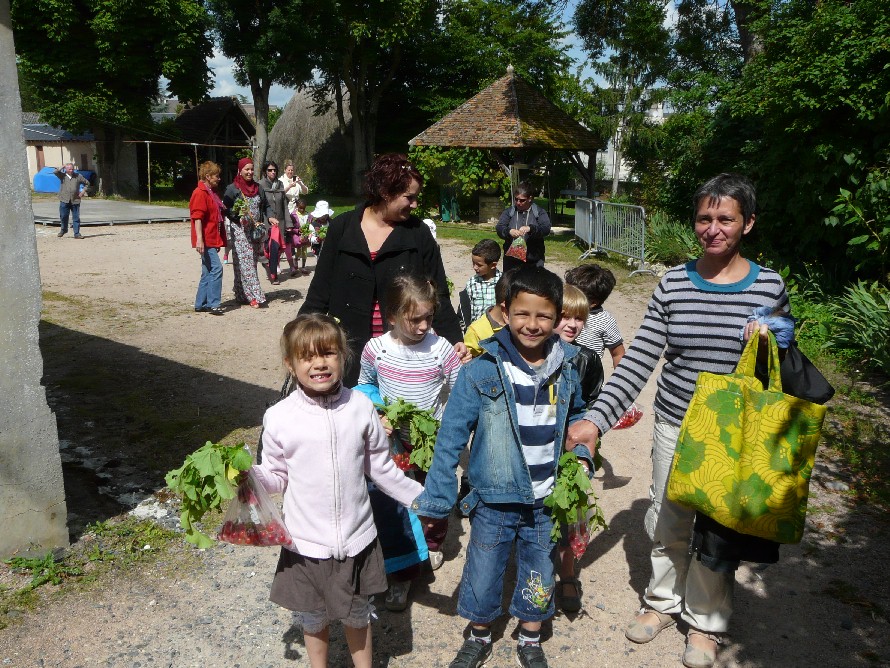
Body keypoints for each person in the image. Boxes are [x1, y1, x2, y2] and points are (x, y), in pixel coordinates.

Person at [566, 173, 791, 668]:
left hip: (734, 431)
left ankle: (706, 622)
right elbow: (642, 356)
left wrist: (773, 334)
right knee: (669, 520)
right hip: (675, 423)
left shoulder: (770, 284)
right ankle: (662, 601)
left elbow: (783, 355)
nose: (713, 229)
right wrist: (598, 420)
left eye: (725, 218)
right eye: (704, 218)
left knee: (717, 529)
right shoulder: (672, 283)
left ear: (747, 223)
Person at [412, 265, 595, 668]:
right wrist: (437, 500)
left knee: (538, 569)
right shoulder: (481, 370)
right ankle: (479, 635)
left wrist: (582, 458)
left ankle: (530, 638)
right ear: (504, 311)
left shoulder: (566, 369)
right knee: (483, 568)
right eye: (522, 314)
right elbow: (450, 437)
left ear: (558, 317)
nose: (533, 324)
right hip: (493, 497)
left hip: (545, 498)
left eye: (544, 315)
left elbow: (578, 419)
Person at [251, 313, 423, 668]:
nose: (319, 363)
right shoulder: (280, 417)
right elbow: (275, 475)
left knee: (358, 613)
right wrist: (247, 478)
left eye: (328, 353)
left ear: (343, 356)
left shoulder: (360, 407)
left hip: (356, 538)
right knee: (312, 617)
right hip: (305, 542)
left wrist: (420, 497)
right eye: (307, 356)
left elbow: (380, 467)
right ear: (290, 364)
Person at [299, 153, 465, 386]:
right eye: (409, 197)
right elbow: (320, 289)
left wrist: (455, 338)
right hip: (349, 347)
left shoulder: (419, 234)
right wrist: (301, 333)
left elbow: (437, 293)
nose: (415, 204)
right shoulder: (342, 228)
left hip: (401, 351)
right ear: (386, 192)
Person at [357, 274, 462, 611]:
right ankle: (402, 574)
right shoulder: (377, 349)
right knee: (395, 503)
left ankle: (432, 541)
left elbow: (460, 391)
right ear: (391, 316)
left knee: (436, 492)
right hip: (394, 442)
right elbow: (364, 386)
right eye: (414, 319)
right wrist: (378, 415)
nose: (422, 326)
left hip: (434, 439)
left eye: (428, 317)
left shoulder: (441, 349)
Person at [552, 284, 605, 613]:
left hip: (574, 450)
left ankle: (568, 574)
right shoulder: (532, 353)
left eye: (580, 319)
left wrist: (585, 455)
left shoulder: (588, 360)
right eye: (564, 317)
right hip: (538, 449)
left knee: (574, 511)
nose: (572, 324)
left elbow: (593, 410)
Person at [223, 157, 267, 308]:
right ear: (240, 170)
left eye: (251, 169)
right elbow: (226, 209)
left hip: (254, 231)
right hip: (240, 231)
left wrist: (271, 216)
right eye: (246, 169)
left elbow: (265, 205)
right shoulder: (232, 188)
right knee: (246, 262)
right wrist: (236, 214)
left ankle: (241, 294)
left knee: (248, 263)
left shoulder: (258, 187)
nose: (249, 172)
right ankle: (255, 296)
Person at [565, 264, 626, 369]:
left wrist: (620, 382)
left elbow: (618, 353)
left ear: (593, 302)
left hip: (586, 376)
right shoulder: (559, 310)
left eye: (574, 293)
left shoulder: (605, 320)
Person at [189, 161, 227, 315]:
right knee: (217, 268)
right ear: (207, 176)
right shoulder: (199, 193)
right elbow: (197, 217)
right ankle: (213, 303)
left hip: (211, 237)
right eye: (216, 176)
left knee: (207, 271)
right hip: (205, 239)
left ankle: (200, 303)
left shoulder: (211, 193)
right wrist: (199, 240)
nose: (218, 178)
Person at [496, 181, 551, 271]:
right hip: (511, 260)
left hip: (533, 259)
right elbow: (499, 227)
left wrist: (531, 228)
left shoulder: (539, 212)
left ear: (530, 198)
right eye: (516, 199)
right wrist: (509, 231)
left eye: (522, 200)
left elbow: (546, 229)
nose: (518, 203)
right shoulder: (509, 211)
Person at [463, 269, 512, 358]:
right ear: (505, 309)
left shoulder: (519, 328)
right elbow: (466, 363)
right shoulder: (476, 332)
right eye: (523, 312)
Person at [258, 160, 293, 285]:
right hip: (266, 223)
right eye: (270, 170)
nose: (272, 172)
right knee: (266, 249)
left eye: (274, 170)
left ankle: (274, 273)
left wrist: (288, 223)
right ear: (265, 171)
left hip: (280, 222)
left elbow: (284, 205)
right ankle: (270, 270)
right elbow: (260, 206)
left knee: (277, 249)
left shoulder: (280, 184)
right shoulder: (260, 185)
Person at [465, 239, 502, 322]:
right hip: (477, 331)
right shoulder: (471, 283)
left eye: (479, 265)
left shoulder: (503, 282)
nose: (474, 267)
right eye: (473, 263)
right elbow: (466, 311)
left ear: (493, 265)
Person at [53, 163, 90, 239]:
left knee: (76, 217)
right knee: (63, 216)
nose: (71, 170)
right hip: (64, 199)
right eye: (69, 169)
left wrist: (82, 192)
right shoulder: (62, 176)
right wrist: (62, 167)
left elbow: (87, 183)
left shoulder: (78, 176)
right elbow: (55, 172)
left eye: (72, 169)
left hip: (75, 200)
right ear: (66, 169)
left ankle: (77, 234)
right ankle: (63, 230)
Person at [290, 198, 310, 276]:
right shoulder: (293, 215)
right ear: (297, 206)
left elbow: (310, 224)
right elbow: (291, 227)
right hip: (297, 235)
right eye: (300, 208)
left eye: (303, 208)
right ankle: (295, 261)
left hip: (305, 235)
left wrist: (308, 231)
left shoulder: (308, 215)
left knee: (305, 251)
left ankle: (303, 266)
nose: (302, 210)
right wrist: (297, 230)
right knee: (298, 250)